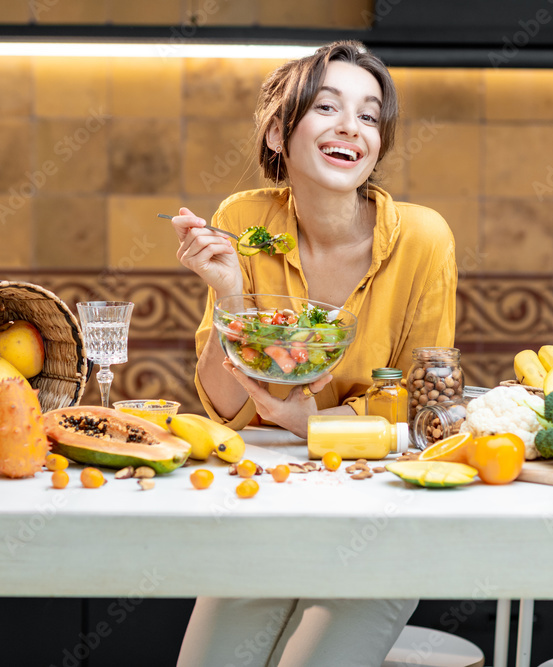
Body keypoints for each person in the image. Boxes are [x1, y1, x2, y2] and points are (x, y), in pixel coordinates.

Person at [169, 41, 457, 667]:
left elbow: (427, 405)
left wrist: (306, 423)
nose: (351, 127)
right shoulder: (245, 220)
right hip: (269, 502)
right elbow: (224, 407)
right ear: (278, 132)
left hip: (382, 516)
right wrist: (229, 298)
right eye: (327, 107)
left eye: (369, 115)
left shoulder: (424, 239)